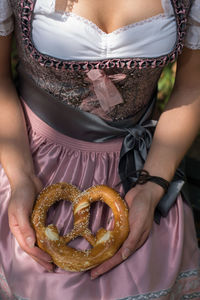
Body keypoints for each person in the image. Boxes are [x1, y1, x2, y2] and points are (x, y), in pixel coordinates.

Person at [0, 0, 200, 299]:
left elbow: (192, 86)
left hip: (139, 172)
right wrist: (21, 178)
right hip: (26, 161)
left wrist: (153, 185)